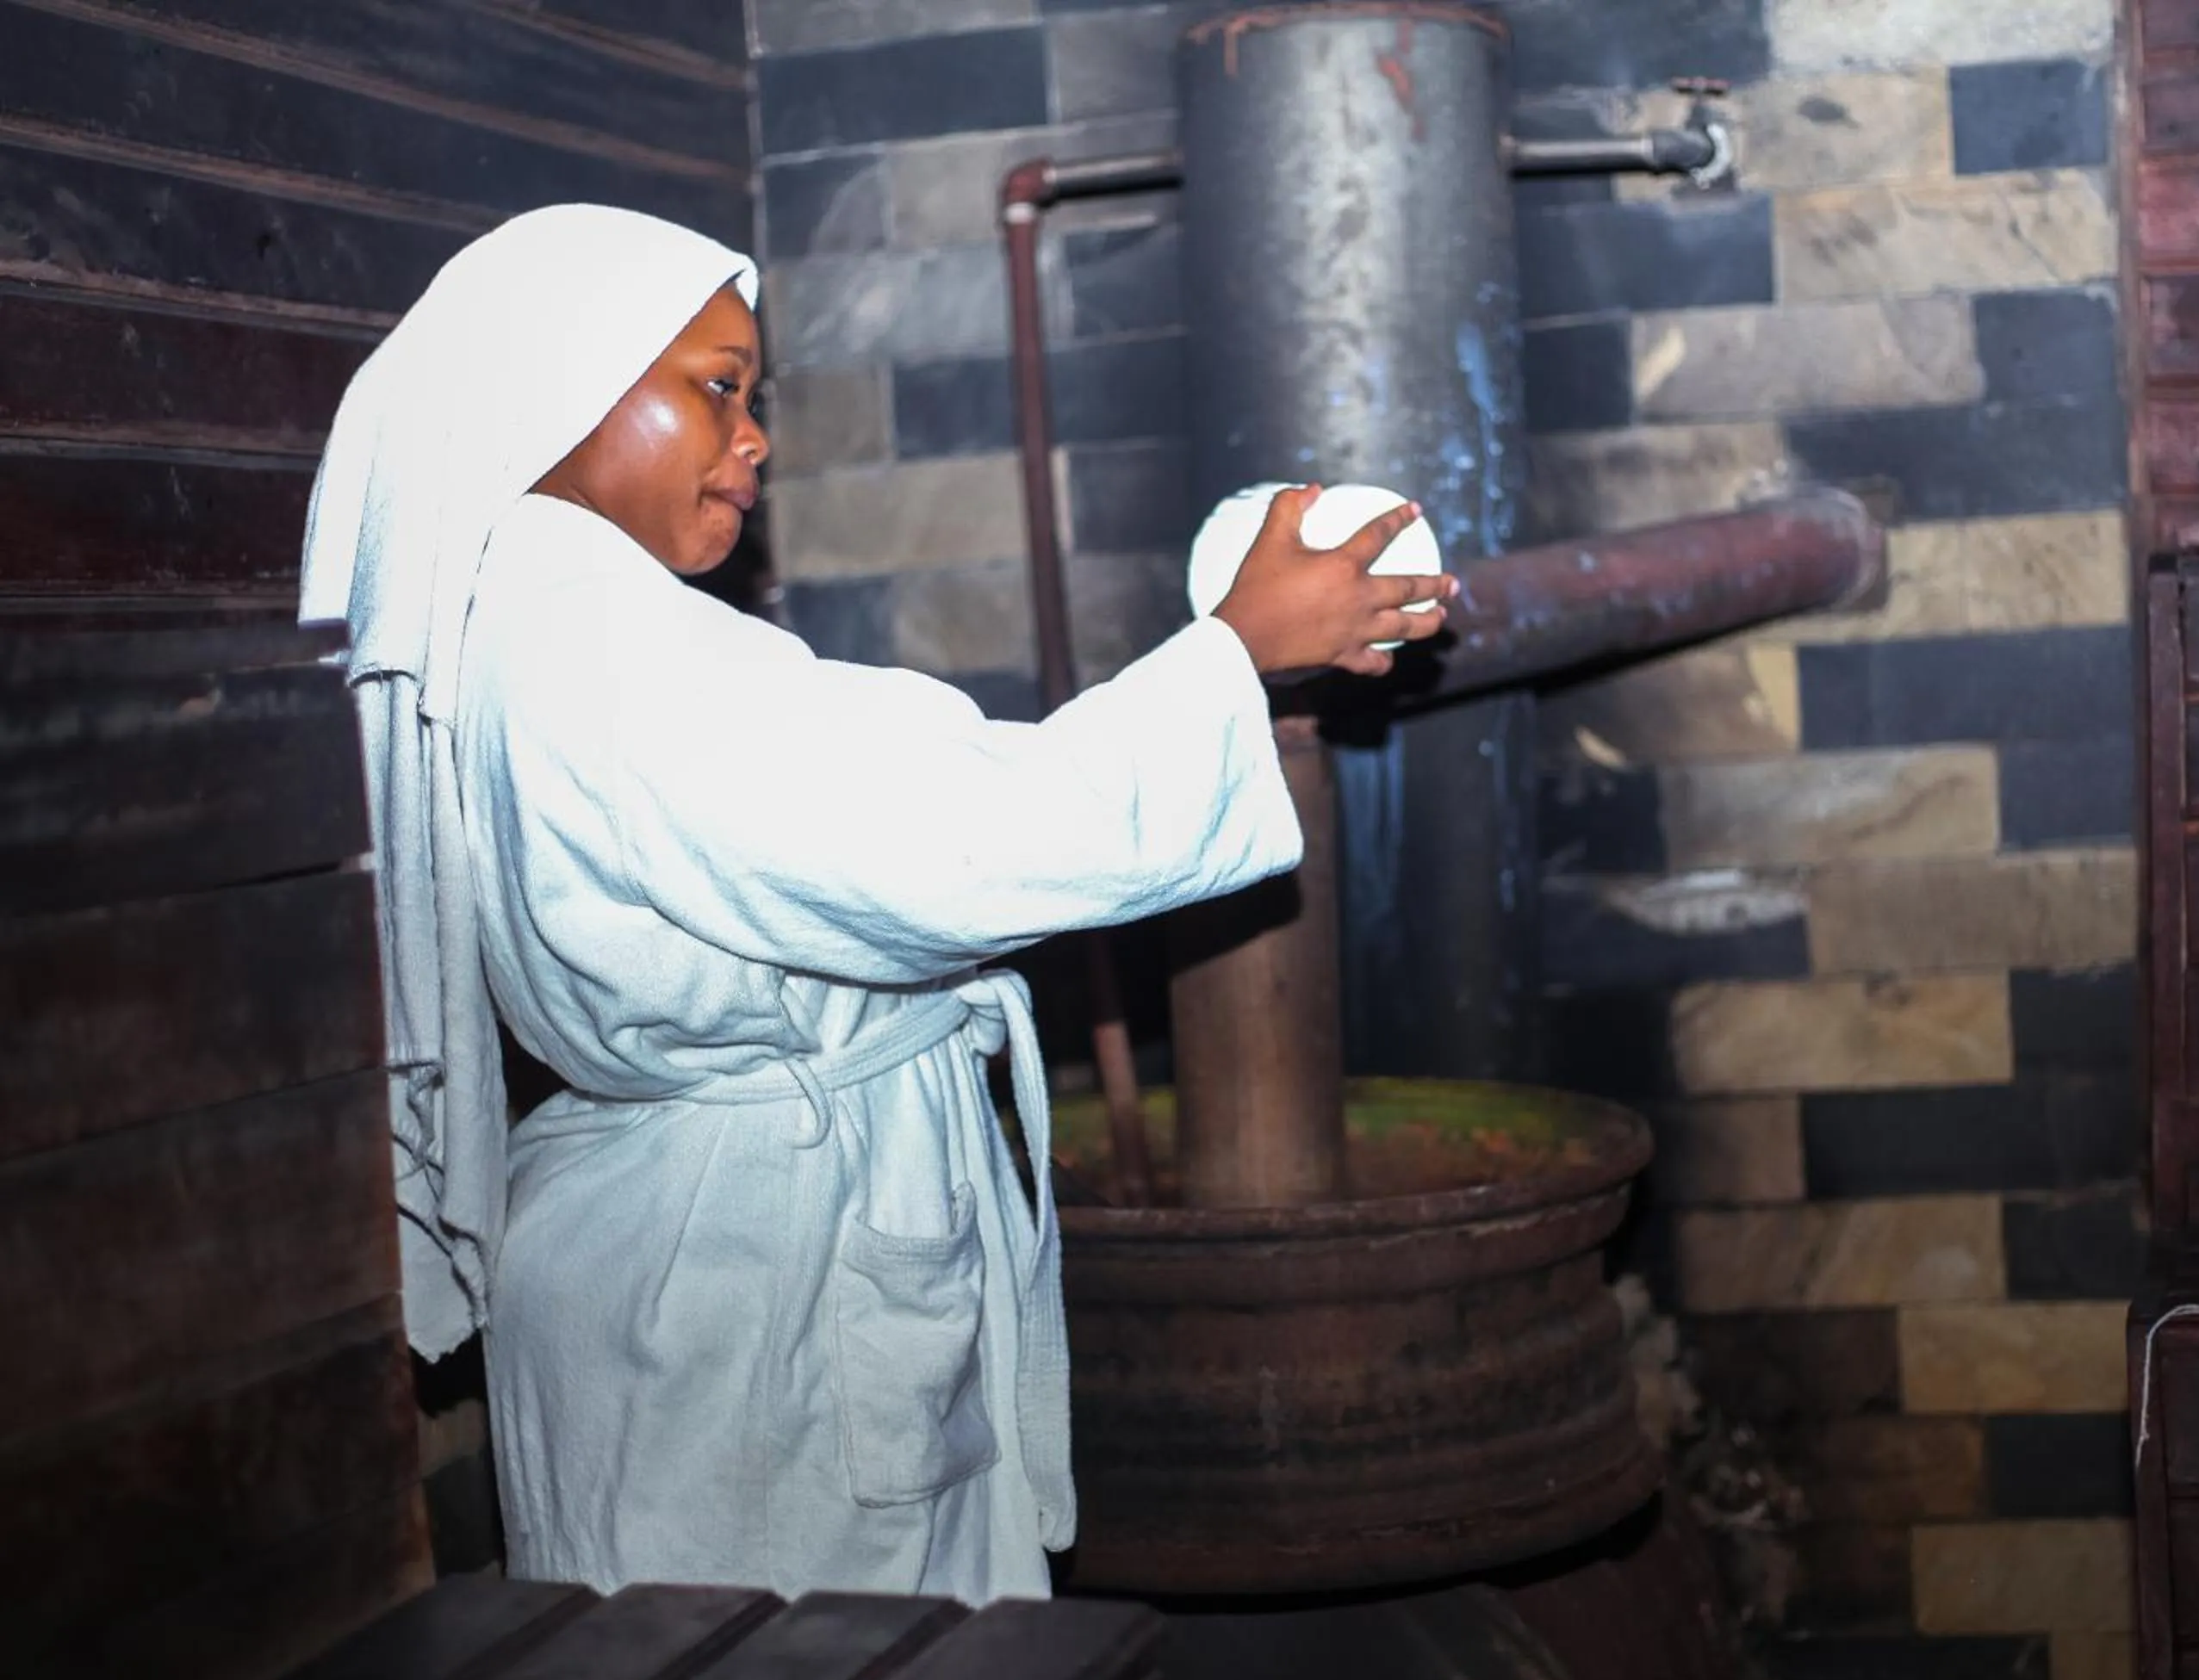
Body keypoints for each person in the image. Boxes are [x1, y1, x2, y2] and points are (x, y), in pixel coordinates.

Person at [298, 203, 1452, 1603]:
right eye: (715, 388)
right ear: (563, 381)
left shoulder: (552, 619)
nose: (755, 436)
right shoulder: (589, 639)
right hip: (745, 1285)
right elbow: (959, 840)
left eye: (755, 397)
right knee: (809, 1676)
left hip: (716, 1244)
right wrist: (1230, 656)